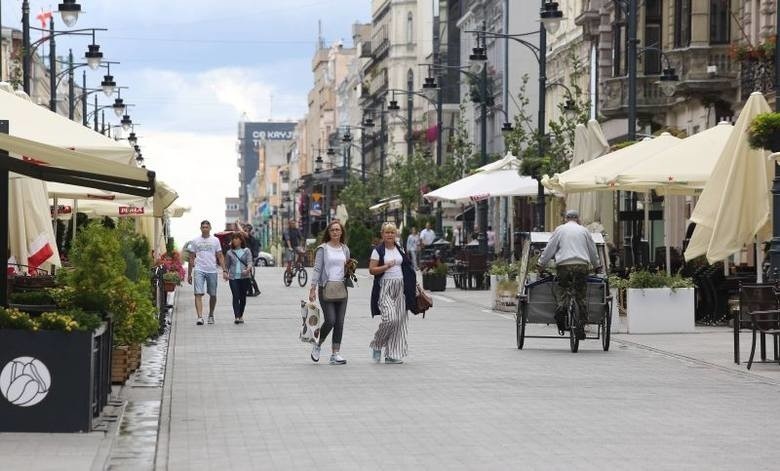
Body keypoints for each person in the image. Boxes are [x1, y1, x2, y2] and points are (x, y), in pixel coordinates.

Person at [537, 210, 600, 340]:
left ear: (566, 218)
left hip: (564, 266)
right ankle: (580, 326)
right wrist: (597, 265)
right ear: (578, 219)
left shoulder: (560, 230)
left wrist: (541, 264)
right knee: (580, 295)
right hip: (581, 265)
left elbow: (550, 248)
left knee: (563, 289)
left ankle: (561, 308)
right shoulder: (584, 231)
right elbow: (592, 250)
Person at [369, 222, 417, 364]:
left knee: (400, 322)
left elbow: (407, 267)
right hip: (385, 287)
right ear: (382, 234)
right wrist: (386, 266)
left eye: (392, 232)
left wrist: (416, 285)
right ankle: (377, 344)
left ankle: (392, 354)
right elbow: (372, 270)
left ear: (395, 234)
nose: (390, 235)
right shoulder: (378, 251)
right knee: (390, 319)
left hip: (401, 287)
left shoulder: (400, 248)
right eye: (387, 233)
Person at [308, 221, 351, 365]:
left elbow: (346, 270)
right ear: (329, 232)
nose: (335, 232)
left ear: (341, 232)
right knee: (331, 320)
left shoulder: (345, 249)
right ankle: (318, 344)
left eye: (338, 230)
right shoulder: (323, 249)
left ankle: (335, 354)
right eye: (332, 230)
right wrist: (312, 288)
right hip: (325, 287)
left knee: (339, 322)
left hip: (341, 288)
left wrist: (349, 268)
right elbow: (317, 269)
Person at [187, 220, 225, 325]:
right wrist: (189, 274)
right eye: (203, 227)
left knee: (213, 294)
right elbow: (191, 258)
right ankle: (199, 317)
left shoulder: (215, 240)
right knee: (198, 293)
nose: (205, 229)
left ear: (210, 228)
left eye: (206, 227)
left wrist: (224, 270)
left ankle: (211, 314)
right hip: (199, 269)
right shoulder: (195, 241)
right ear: (200, 228)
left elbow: (220, 255)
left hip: (212, 269)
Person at [223, 233, 252, 324]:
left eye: (236, 238)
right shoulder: (229, 252)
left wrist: (247, 270)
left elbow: (250, 262)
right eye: (233, 239)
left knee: (242, 297)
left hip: (244, 277)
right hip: (233, 278)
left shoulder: (246, 251)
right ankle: (237, 316)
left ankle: (241, 315)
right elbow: (227, 265)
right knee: (236, 296)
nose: (235, 240)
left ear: (240, 240)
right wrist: (225, 273)